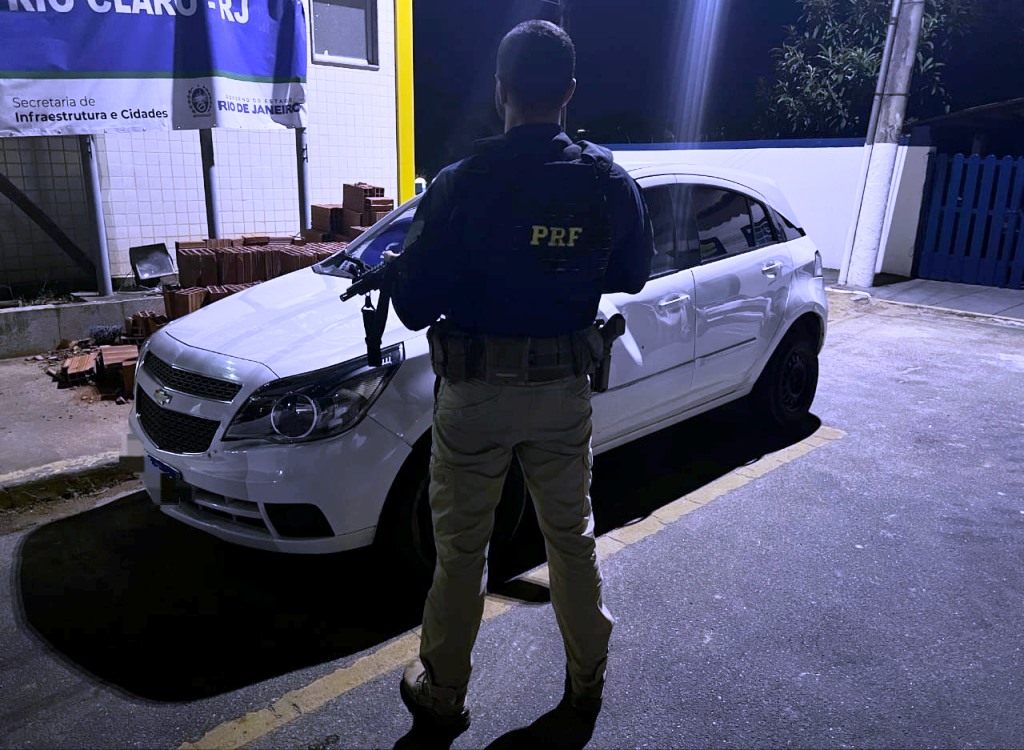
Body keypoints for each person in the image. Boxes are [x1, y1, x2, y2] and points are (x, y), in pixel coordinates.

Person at [387, 19, 654, 735]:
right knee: (570, 540)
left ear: (501, 90)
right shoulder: (606, 179)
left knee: (461, 551)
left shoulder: (462, 183)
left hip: (474, 395)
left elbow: (412, 305)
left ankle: (443, 693)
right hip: (562, 392)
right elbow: (633, 272)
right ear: (568, 91)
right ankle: (587, 682)